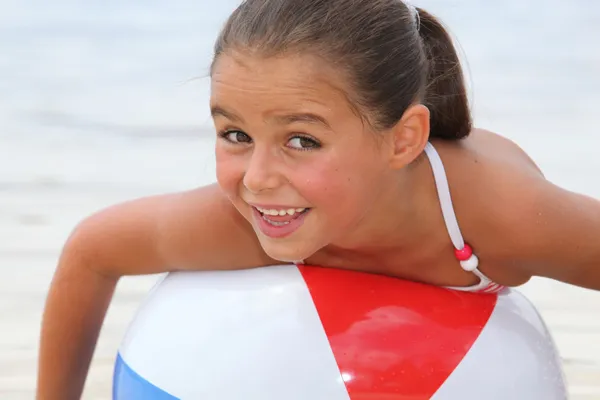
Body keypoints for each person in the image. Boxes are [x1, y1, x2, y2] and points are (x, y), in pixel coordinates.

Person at [36, 0, 600, 398]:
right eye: (235, 134)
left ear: (404, 139)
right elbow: (93, 251)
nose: (257, 179)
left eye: (301, 140)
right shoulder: (249, 218)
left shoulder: (504, 218)